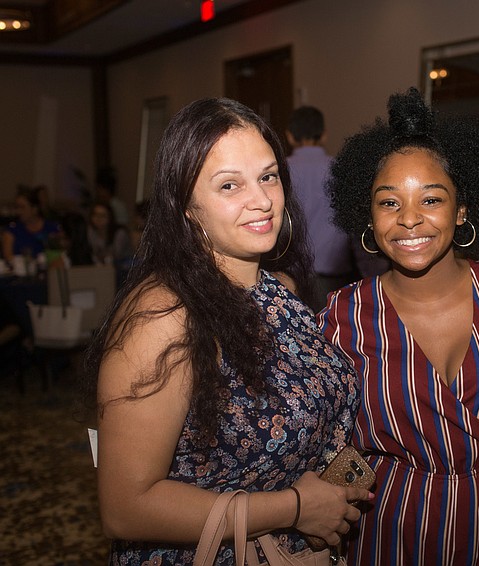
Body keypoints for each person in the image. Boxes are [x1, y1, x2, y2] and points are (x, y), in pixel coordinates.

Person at [82, 97, 373, 565]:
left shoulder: (279, 288)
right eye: (229, 185)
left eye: (268, 177)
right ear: (186, 206)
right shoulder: (163, 316)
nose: (262, 200)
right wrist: (296, 508)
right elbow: (126, 508)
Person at [318, 87, 479, 565]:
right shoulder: (342, 317)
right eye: (389, 203)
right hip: (391, 532)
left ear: (462, 209)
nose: (409, 219)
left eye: (431, 199)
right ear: (368, 216)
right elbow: (325, 444)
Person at [286, 106, 359, 312]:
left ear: (289, 136)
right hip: (334, 274)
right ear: (324, 135)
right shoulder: (341, 169)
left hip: (292, 274)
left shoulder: (279, 170)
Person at [1, 185, 61, 266]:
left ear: (34, 209)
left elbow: (58, 259)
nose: (18, 212)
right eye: (17, 207)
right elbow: (8, 258)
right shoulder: (11, 231)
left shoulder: (51, 228)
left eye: (22, 207)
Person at [86, 201, 134, 267]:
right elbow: (93, 253)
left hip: (125, 266)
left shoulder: (119, 233)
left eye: (102, 216)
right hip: (103, 267)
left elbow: (117, 255)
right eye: (95, 215)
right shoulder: (91, 231)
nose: (98, 219)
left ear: (110, 217)